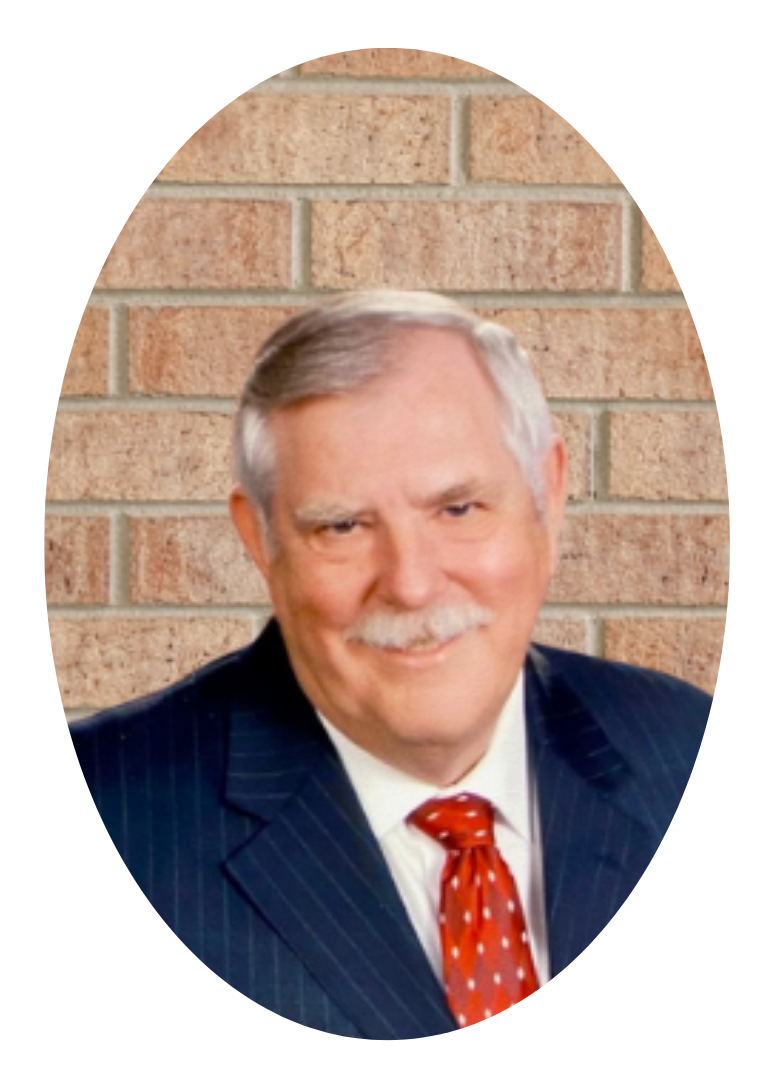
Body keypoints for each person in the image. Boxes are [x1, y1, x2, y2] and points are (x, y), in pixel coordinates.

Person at [69, 290, 711, 1038]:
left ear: (551, 495)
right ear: (260, 541)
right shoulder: (118, 815)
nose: (410, 582)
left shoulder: (682, 747)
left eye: (459, 509)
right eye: (341, 525)